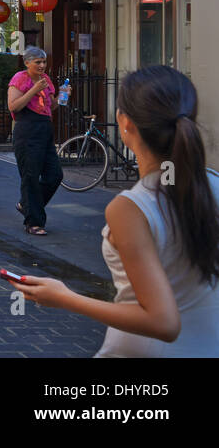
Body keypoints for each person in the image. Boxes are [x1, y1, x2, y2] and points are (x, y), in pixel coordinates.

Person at [13, 66, 219, 356]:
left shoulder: (132, 208)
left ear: (125, 123)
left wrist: (65, 297)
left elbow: (163, 322)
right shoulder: (213, 184)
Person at [8, 46, 61, 235]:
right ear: (27, 62)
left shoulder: (46, 80)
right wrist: (34, 90)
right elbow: (14, 106)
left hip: (45, 129)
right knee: (30, 176)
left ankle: (27, 205)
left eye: (44, 62)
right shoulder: (20, 79)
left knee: (55, 175)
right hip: (27, 130)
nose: (42, 65)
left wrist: (64, 95)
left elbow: (51, 106)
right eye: (37, 62)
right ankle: (33, 222)